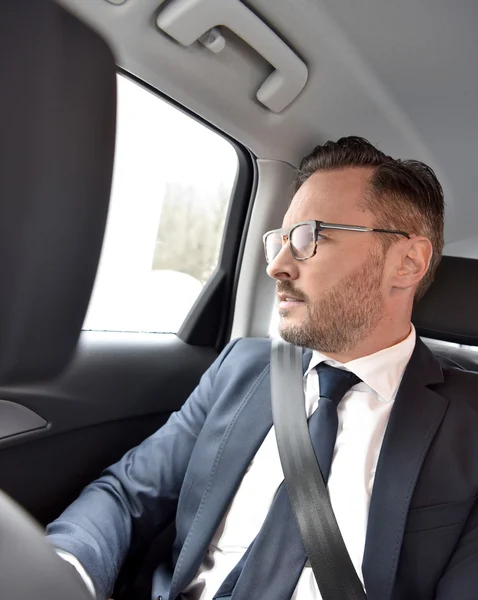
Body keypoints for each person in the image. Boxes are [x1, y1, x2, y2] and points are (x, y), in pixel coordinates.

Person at [46, 136, 478, 600]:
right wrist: (59, 574)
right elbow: (128, 494)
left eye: (311, 237)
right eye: (281, 240)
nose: (276, 266)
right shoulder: (242, 368)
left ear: (407, 262)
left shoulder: (468, 420)